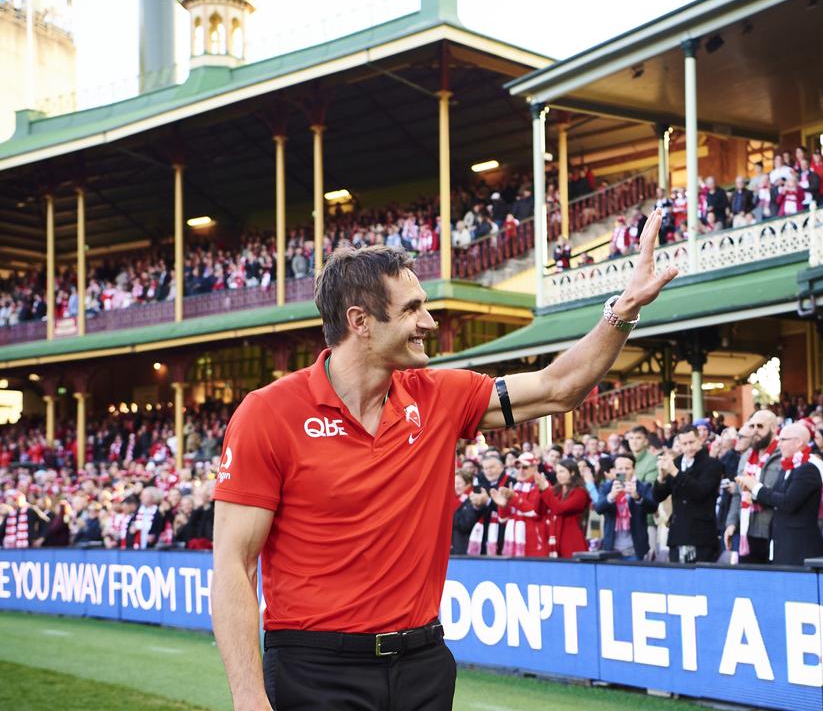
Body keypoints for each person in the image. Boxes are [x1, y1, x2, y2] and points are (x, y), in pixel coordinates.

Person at [211, 209, 676, 710]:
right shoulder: (268, 413)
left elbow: (559, 387)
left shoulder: (440, 396)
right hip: (316, 670)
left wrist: (622, 310)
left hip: (422, 666)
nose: (429, 322)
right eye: (412, 309)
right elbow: (233, 563)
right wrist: (248, 695)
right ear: (360, 322)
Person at [735, 423, 823, 566]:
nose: (779, 444)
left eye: (783, 440)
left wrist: (756, 487)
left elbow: (788, 503)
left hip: (799, 548)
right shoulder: (787, 468)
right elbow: (775, 500)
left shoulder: (808, 469)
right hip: (782, 544)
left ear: (799, 442)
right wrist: (752, 494)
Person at [652, 425, 722, 563]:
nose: (689, 447)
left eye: (692, 442)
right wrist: (661, 477)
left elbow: (700, 491)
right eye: (684, 444)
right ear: (679, 445)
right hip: (677, 534)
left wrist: (675, 473)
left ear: (700, 440)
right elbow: (658, 497)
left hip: (701, 537)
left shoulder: (712, 465)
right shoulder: (675, 463)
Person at [724, 410, 783, 564]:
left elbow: (782, 495)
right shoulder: (746, 457)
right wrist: (731, 523)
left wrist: (755, 494)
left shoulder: (782, 455)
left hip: (772, 530)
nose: (755, 431)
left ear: (773, 428)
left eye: (760, 426)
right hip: (746, 530)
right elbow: (738, 494)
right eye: (752, 426)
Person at [594, 454, 657, 560]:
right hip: (612, 548)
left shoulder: (643, 486)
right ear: (614, 470)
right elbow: (599, 509)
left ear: (634, 469)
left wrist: (637, 497)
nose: (623, 472)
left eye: (627, 468)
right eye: (620, 468)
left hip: (635, 548)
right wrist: (611, 496)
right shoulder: (607, 487)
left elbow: (653, 508)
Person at [539, 459, 590, 558]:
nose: (558, 475)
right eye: (557, 472)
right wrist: (538, 489)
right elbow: (539, 510)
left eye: (562, 471)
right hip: (554, 539)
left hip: (572, 542)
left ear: (572, 472)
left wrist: (545, 490)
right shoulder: (556, 491)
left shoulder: (580, 492)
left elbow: (559, 509)